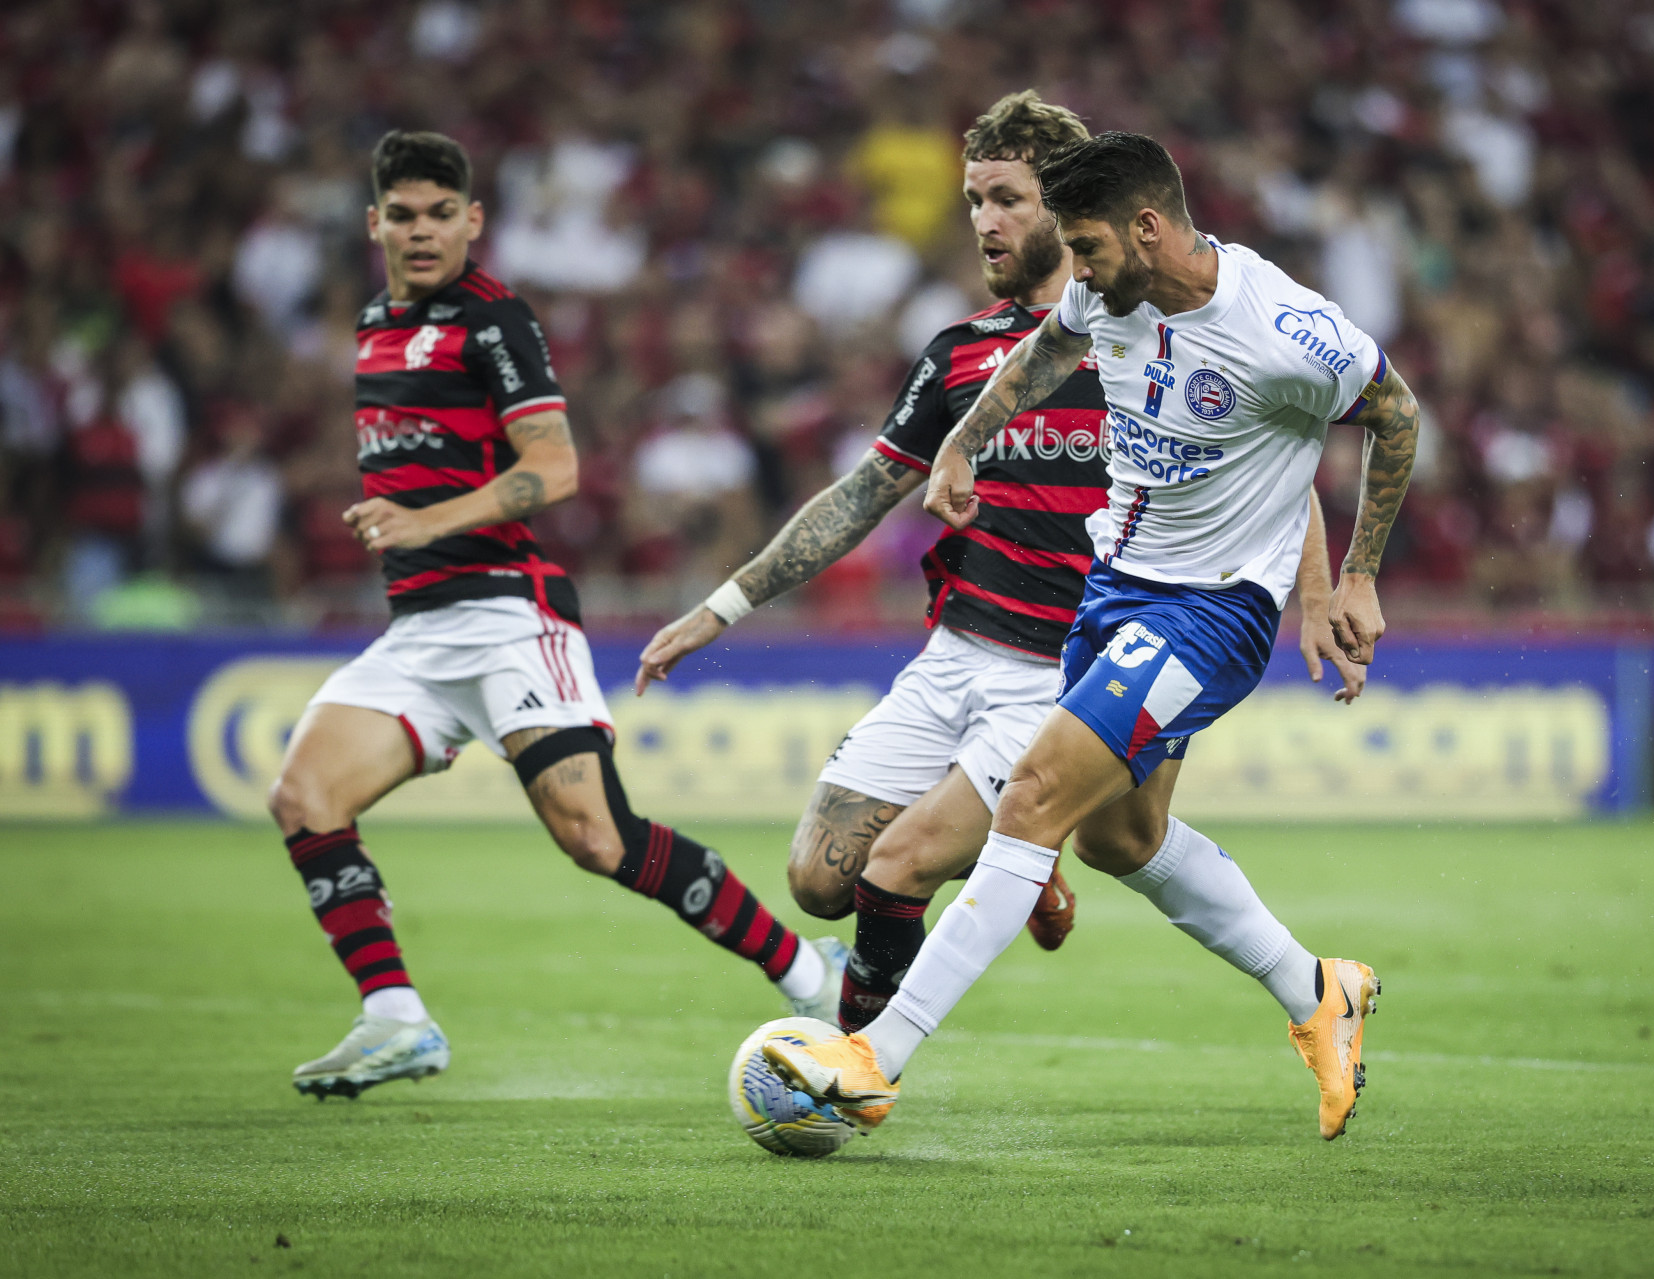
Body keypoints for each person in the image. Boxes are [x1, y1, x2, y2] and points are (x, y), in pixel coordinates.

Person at [640, 95, 1364, 1036]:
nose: (984, 220)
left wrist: (1318, 592)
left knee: (906, 866)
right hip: (957, 648)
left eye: (1008, 198)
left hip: (1070, 669)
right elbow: (863, 494)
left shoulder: (1147, 335)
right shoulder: (959, 356)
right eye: (974, 197)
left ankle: (854, 1065)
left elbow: (1268, 463)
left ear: (1066, 208)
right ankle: (1031, 868)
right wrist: (719, 609)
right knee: (822, 879)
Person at [762, 132, 1419, 1142]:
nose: (1077, 271)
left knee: (1031, 797)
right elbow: (1048, 349)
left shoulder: (1288, 330)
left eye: (1090, 247)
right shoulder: (1106, 292)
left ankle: (873, 1056)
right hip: (1114, 590)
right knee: (1124, 838)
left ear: (1148, 227)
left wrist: (1357, 575)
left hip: (1210, 612)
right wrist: (963, 442)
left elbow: (1397, 413)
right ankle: (1319, 988)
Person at [269, 131, 841, 1101]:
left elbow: (555, 470)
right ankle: (397, 1019)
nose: (421, 232)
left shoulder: (497, 321)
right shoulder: (372, 323)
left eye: (441, 214)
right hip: (418, 633)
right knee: (303, 797)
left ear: (472, 221)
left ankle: (809, 974)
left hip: (507, 617)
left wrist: (423, 520)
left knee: (597, 839)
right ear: (374, 223)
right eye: (402, 215)